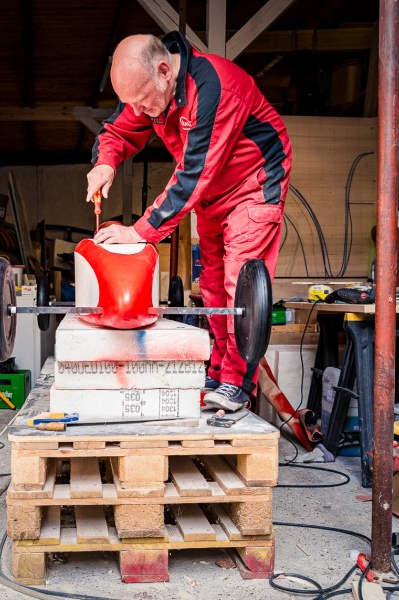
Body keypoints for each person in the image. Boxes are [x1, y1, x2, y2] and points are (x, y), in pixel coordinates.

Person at [86, 32, 292, 411]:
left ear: (165, 71)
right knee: (211, 284)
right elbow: (117, 129)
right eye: (132, 103)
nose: (140, 111)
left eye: (142, 100)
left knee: (239, 283)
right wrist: (105, 162)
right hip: (213, 190)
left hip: (253, 182)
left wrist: (139, 232)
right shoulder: (150, 88)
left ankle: (237, 382)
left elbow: (193, 175)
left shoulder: (215, 89)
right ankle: (219, 369)